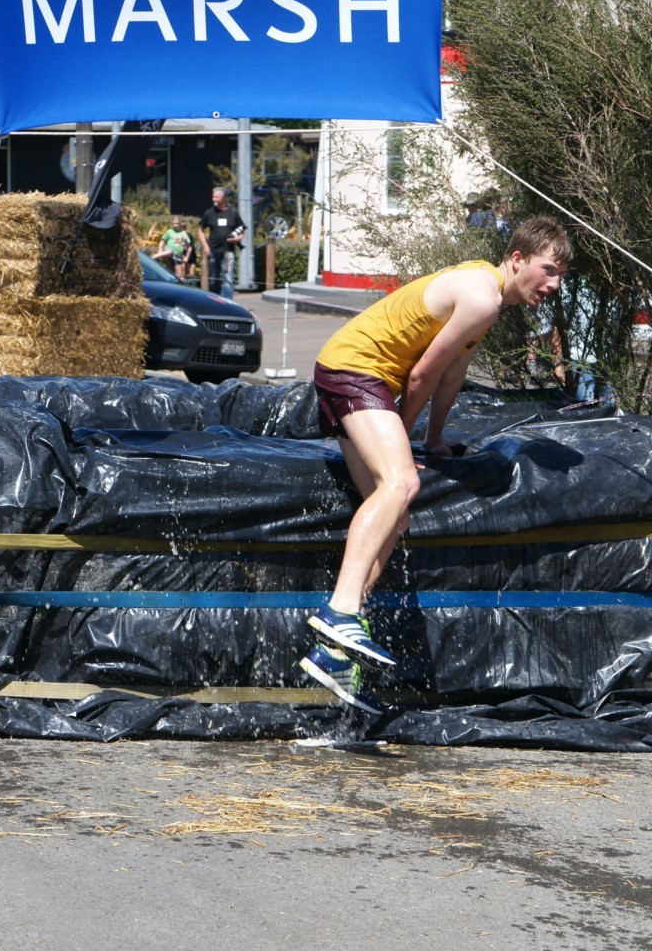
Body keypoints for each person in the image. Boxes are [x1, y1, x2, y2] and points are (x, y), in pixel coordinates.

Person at [300, 216, 573, 713]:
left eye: (560, 276)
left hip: (352, 370)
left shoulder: (486, 295)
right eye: (548, 270)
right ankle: (340, 611)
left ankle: (335, 652)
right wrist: (403, 445)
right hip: (355, 368)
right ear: (517, 260)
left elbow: (452, 372)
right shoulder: (483, 297)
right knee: (400, 483)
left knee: (395, 514)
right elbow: (422, 374)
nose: (553, 285)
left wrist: (434, 439)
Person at [197, 187, 246, 298]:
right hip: (213, 251)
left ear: (224, 199)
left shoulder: (233, 213)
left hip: (228, 252)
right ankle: (215, 301)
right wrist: (205, 246)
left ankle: (227, 302)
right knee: (214, 279)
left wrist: (238, 238)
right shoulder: (209, 213)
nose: (214, 199)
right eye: (213, 196)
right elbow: (200, 230)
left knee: (228, 279)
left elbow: (242, 228)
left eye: (217, 197)